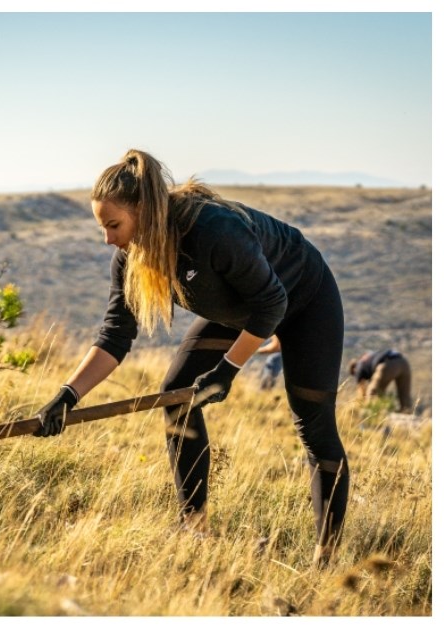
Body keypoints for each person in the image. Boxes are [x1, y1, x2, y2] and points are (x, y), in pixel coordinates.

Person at [33, 149, 348, 568]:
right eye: (102, 227)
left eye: (114, 225)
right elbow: (115, 335)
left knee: (314, 427)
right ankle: (195, 529)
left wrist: (227, 371)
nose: (108, 239)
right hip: (240, 310)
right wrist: (68, 395)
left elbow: (273, 303)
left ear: (143, 210)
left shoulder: (214, 230)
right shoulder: (130, 256)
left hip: (304, 301)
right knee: (177, 396)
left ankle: (326, 558)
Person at [348, 349, 413, 412]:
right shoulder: (369, 357)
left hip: (388, 364)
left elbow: (361, 389)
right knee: (404, 393)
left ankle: (371, 412)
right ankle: (406, 411)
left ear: (354, 369)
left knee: (372, 391)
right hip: (403, 362)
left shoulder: (359, 366)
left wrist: (360, 403)